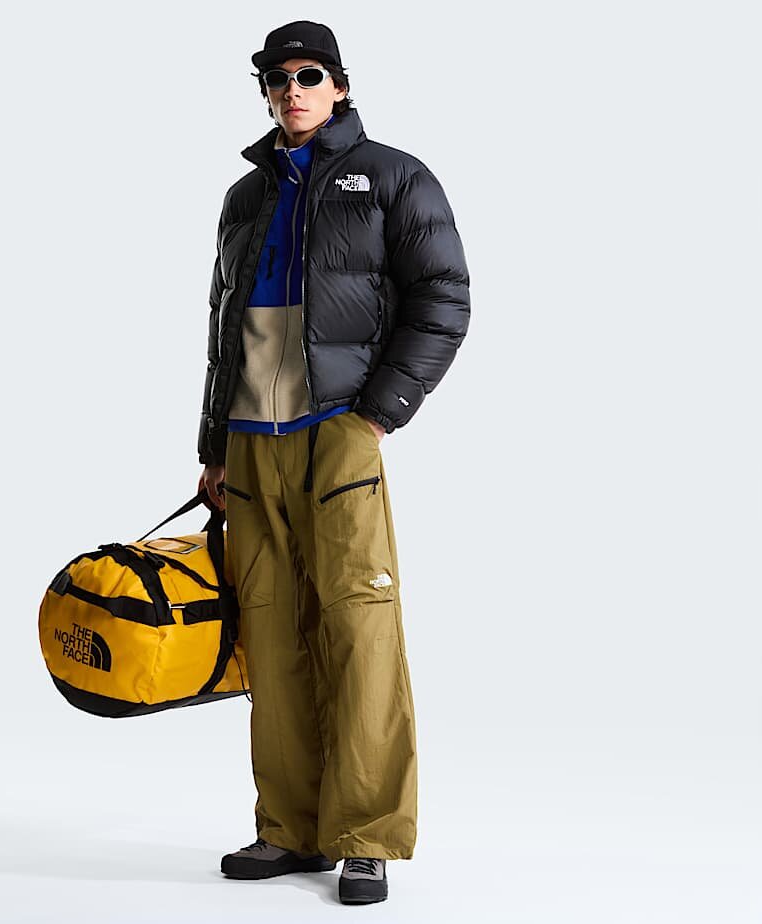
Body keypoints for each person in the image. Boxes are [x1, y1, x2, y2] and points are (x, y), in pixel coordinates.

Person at [196, 20, 470, 906]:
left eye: (308, 75)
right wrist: (213, 446)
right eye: (276, 80)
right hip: (252, 439)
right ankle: (291, 828)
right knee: (270, 635)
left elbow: (444, 296)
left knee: (359, 627)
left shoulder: (393, 177)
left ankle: (367, 835)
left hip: (339, 427)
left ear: (340, 85)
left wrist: (379, 414)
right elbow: (223, 329)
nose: (292, 91)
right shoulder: (246, 195)